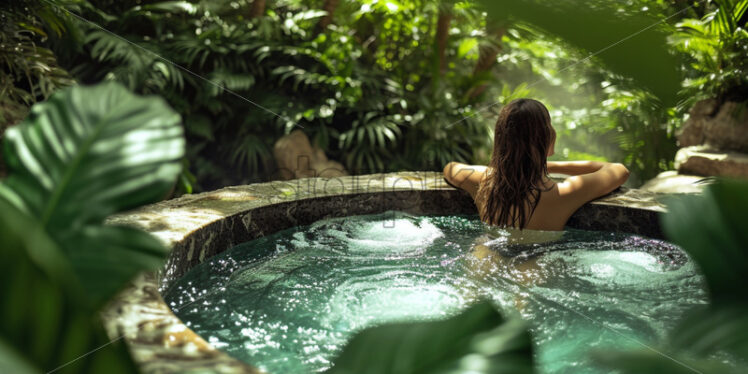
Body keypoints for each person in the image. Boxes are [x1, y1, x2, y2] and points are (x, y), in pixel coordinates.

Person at [443, 98, 629, 232]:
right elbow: (618, 170)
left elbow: (450, 168)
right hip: (532, 268)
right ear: (547, 139)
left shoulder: (483, 182)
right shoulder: (564, 194)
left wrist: (509, 164)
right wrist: (547, 165)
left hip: (484, 257)